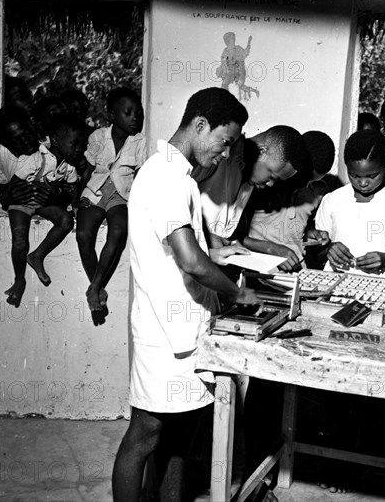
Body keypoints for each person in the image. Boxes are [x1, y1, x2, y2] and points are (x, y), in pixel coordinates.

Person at [111, 87, 258, 502]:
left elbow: (191, 256)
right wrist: (236, 293)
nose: (226, 154)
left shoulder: (182, 179)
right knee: (146, 435)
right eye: (224, 141)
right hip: (163, 331)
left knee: (180, 435)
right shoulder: (162, 176)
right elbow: (191, 261)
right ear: (199, 126)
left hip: (184, 326)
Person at [0, 111, 85, 306]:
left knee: (66, 221)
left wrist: (72, 203)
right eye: (74, 144)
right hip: (21, 202)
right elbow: (13, 187)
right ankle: (19, 280)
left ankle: (37, 255)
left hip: (43, 204)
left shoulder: (62, 162)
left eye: (81, 144)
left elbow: (72, 187)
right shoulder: (27, 156)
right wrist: (31, 190)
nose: (79, 150)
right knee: (19, 240)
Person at [75, 87, 147, 321]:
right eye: (128, 112)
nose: (135, 118)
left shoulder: (139, 142)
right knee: (83, 234)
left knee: (117, 230)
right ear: (112, 115)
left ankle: (94, 288)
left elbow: (141, 176)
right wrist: (77, 199)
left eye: (138, 113)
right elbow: (87, 169)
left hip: (120, 194)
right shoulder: (97, 137)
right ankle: (97, 288)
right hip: (95, 191)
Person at [311, 130, 385, 278]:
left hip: (378, 286)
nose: (363, 183)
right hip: (333, 284)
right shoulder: (332, 200)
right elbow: (317, 254)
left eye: (372, 176)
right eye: (354, 176)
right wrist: (329, 248)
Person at [197, 125, 310, 249]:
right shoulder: (217, 154)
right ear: (261, 151)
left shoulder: (250, 177)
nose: (270, 184)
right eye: (272, 176)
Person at [243, 131, 337, 271]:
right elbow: (232, 237)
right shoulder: (259, 184)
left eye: (312, 181)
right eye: (304, 177)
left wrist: (310, 236)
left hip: (295, 274)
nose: (305, 184)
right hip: (257, 271)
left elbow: (293, 234)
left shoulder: (315, 193)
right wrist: (271, 249)